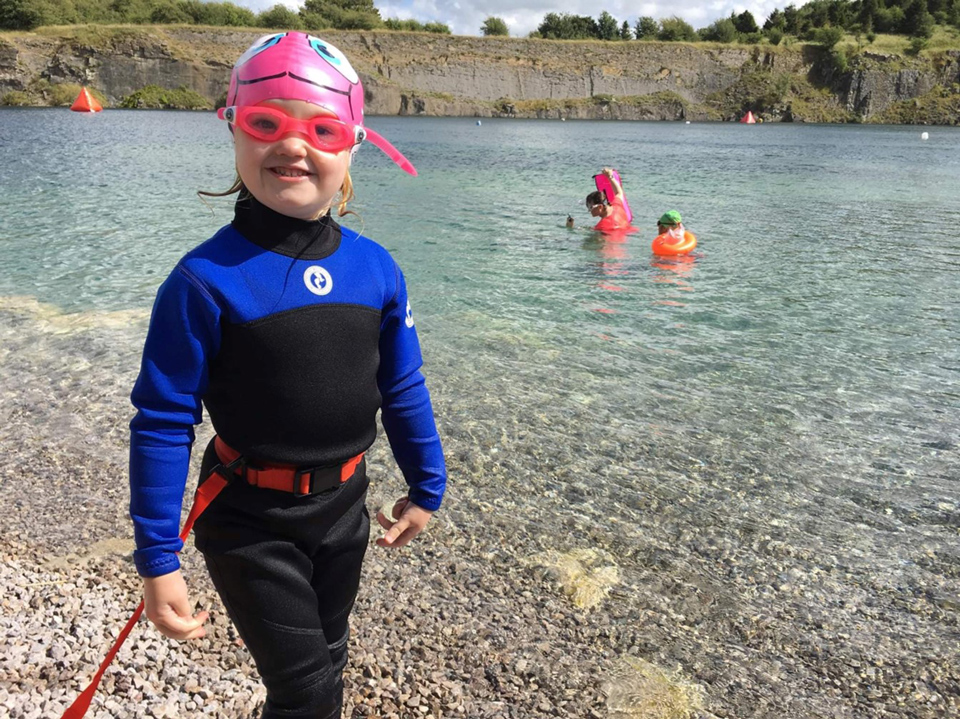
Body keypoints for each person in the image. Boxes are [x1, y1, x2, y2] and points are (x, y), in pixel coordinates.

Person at [128, 32, 447, 719]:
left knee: (327, 662)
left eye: (321, 128)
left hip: (344, 510)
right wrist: (157, 557)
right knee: (309, 692)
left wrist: (427, 485)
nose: (293, 146)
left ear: (353, 142)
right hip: (248, 518)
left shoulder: (377, 269)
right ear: (234, 127)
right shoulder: (203, 281)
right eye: (266, 123)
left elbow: (403, 387)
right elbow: (161, 420)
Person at [587, 167, 632, 232]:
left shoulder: (601, 227)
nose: (589, 210)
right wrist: (610, 176)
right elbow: (618, 192)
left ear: (600, 207)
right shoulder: (617, 206)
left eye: (590, 207)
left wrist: (570, 227)